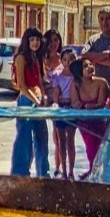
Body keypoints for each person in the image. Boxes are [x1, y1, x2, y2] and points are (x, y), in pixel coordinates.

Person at [9, 27, 50, 178]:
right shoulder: (21, 57)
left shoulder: (36, 58)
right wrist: (36, 100)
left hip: (38, 100)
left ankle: (43, 174)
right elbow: (21, 85)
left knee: (42, 137)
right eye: (32, 40)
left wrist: (44, 97)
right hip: (27, 101)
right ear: (27, 41)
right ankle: (19, 173)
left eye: (38, 40)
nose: (35, 43)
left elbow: (40, 80)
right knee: (24, 139)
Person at [69, 58, 110, 180]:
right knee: (90, 149)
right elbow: (74, 102)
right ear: (78, 72)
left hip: (98, 121)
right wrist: (77, 104)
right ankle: (92, 170)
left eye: (90, 64)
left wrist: (93, 106)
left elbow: (101, 103)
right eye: (85, 66)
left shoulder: (102, 82)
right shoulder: (75, 84)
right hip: (84, 121)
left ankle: (95, 171)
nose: (90, 67)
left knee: (99, 147)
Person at [49, 48, 78, 180]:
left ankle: (71, 170)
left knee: (70, 140)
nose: (67, 63)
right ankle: (63, 170)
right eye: (65, 59)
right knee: (61, 140)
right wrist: (55, 102)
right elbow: (56, 90)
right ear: (61, 61)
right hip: (61, 106)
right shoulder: (57, 76)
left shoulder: (77, 77)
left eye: (71, 59)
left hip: (72, 107)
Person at [42, 30, 65, 177]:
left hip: (60, 101)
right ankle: (42, 168)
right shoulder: (40, 59)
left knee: (59, 136)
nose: (53, 44)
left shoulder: (64, 59)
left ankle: (59, 167)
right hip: (42, 101)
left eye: (56, 40)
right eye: (50, 41)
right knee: (40, 135)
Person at [81, 6, 110, 89]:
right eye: (101, 19)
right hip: (96, 89)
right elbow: (83, 56)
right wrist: (106, 54)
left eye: (108, 19)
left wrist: (93, 58)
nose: (104, 22)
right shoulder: (93, 39)